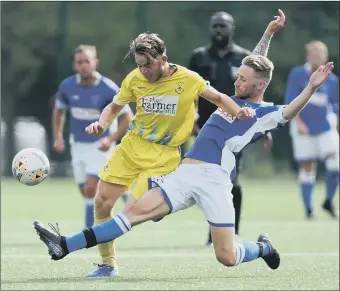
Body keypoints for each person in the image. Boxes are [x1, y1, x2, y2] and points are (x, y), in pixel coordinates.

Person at [33, 56, 335, 273]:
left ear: (260, 85)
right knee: (132, 213)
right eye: (238, 76)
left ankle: (264, 248)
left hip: (215, 182)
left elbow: (290, 112)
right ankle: (64, 245)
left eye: (243, 78)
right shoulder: (234, 98)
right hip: (185, 173)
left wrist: (310, 88)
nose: (236, 80)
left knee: (227, 256)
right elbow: (258, 61)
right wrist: (269, 32)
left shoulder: (263, 114)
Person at [58, 33, 253, 277]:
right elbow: (114, 106)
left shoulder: (188, 79)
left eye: (147, 64)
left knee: (132, 210)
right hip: (131, 147)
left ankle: (157, 206)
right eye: (139, 65)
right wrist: (101, 123)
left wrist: (239, 112)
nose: (144, 70)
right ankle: (108, 265)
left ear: (163, 59)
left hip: (163, 155)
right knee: (102, 202)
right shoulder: (135, 78)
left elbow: (219, 98)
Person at [188, 10, 274, 243]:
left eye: (223, 26)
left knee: (231, 182)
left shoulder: (244, 58)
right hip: (206, 128)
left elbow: (256, 95)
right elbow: (189, 91)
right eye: (215, 26)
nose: (218, 30)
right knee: (205, 181)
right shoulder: (198, 57)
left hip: (237, 128)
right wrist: (191, 120)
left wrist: (263, 128)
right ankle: (217, 230)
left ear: (232, 29)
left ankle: (230, 231)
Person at [53, 45, 133, 229]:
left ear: (95, 63)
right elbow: (59, 111)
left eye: (87, 61)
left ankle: (90, 231)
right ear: (74, 65)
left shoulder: (108, 88)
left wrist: (110, 139)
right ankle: (120, 188)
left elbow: (127, 118)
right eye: (79, 62)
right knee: (85, 192)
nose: (83, 65)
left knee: (91, 188)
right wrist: (58, 136)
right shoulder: (67, 86)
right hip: (77, 145)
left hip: (100, 145)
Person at [285, 41, 339, 219]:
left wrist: (335, 124)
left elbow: (335, 106)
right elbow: (291, 100)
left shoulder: (332, 79)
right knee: (308, 167)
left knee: (334, 163)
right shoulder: (298, 74)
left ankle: (328, 201)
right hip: (303, 128)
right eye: (313, 54)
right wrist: (299, 122)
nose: (317, 58)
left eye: (320, 55)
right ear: (307, 57)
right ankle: (309, 209)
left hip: (325, 127)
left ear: (325, 57)